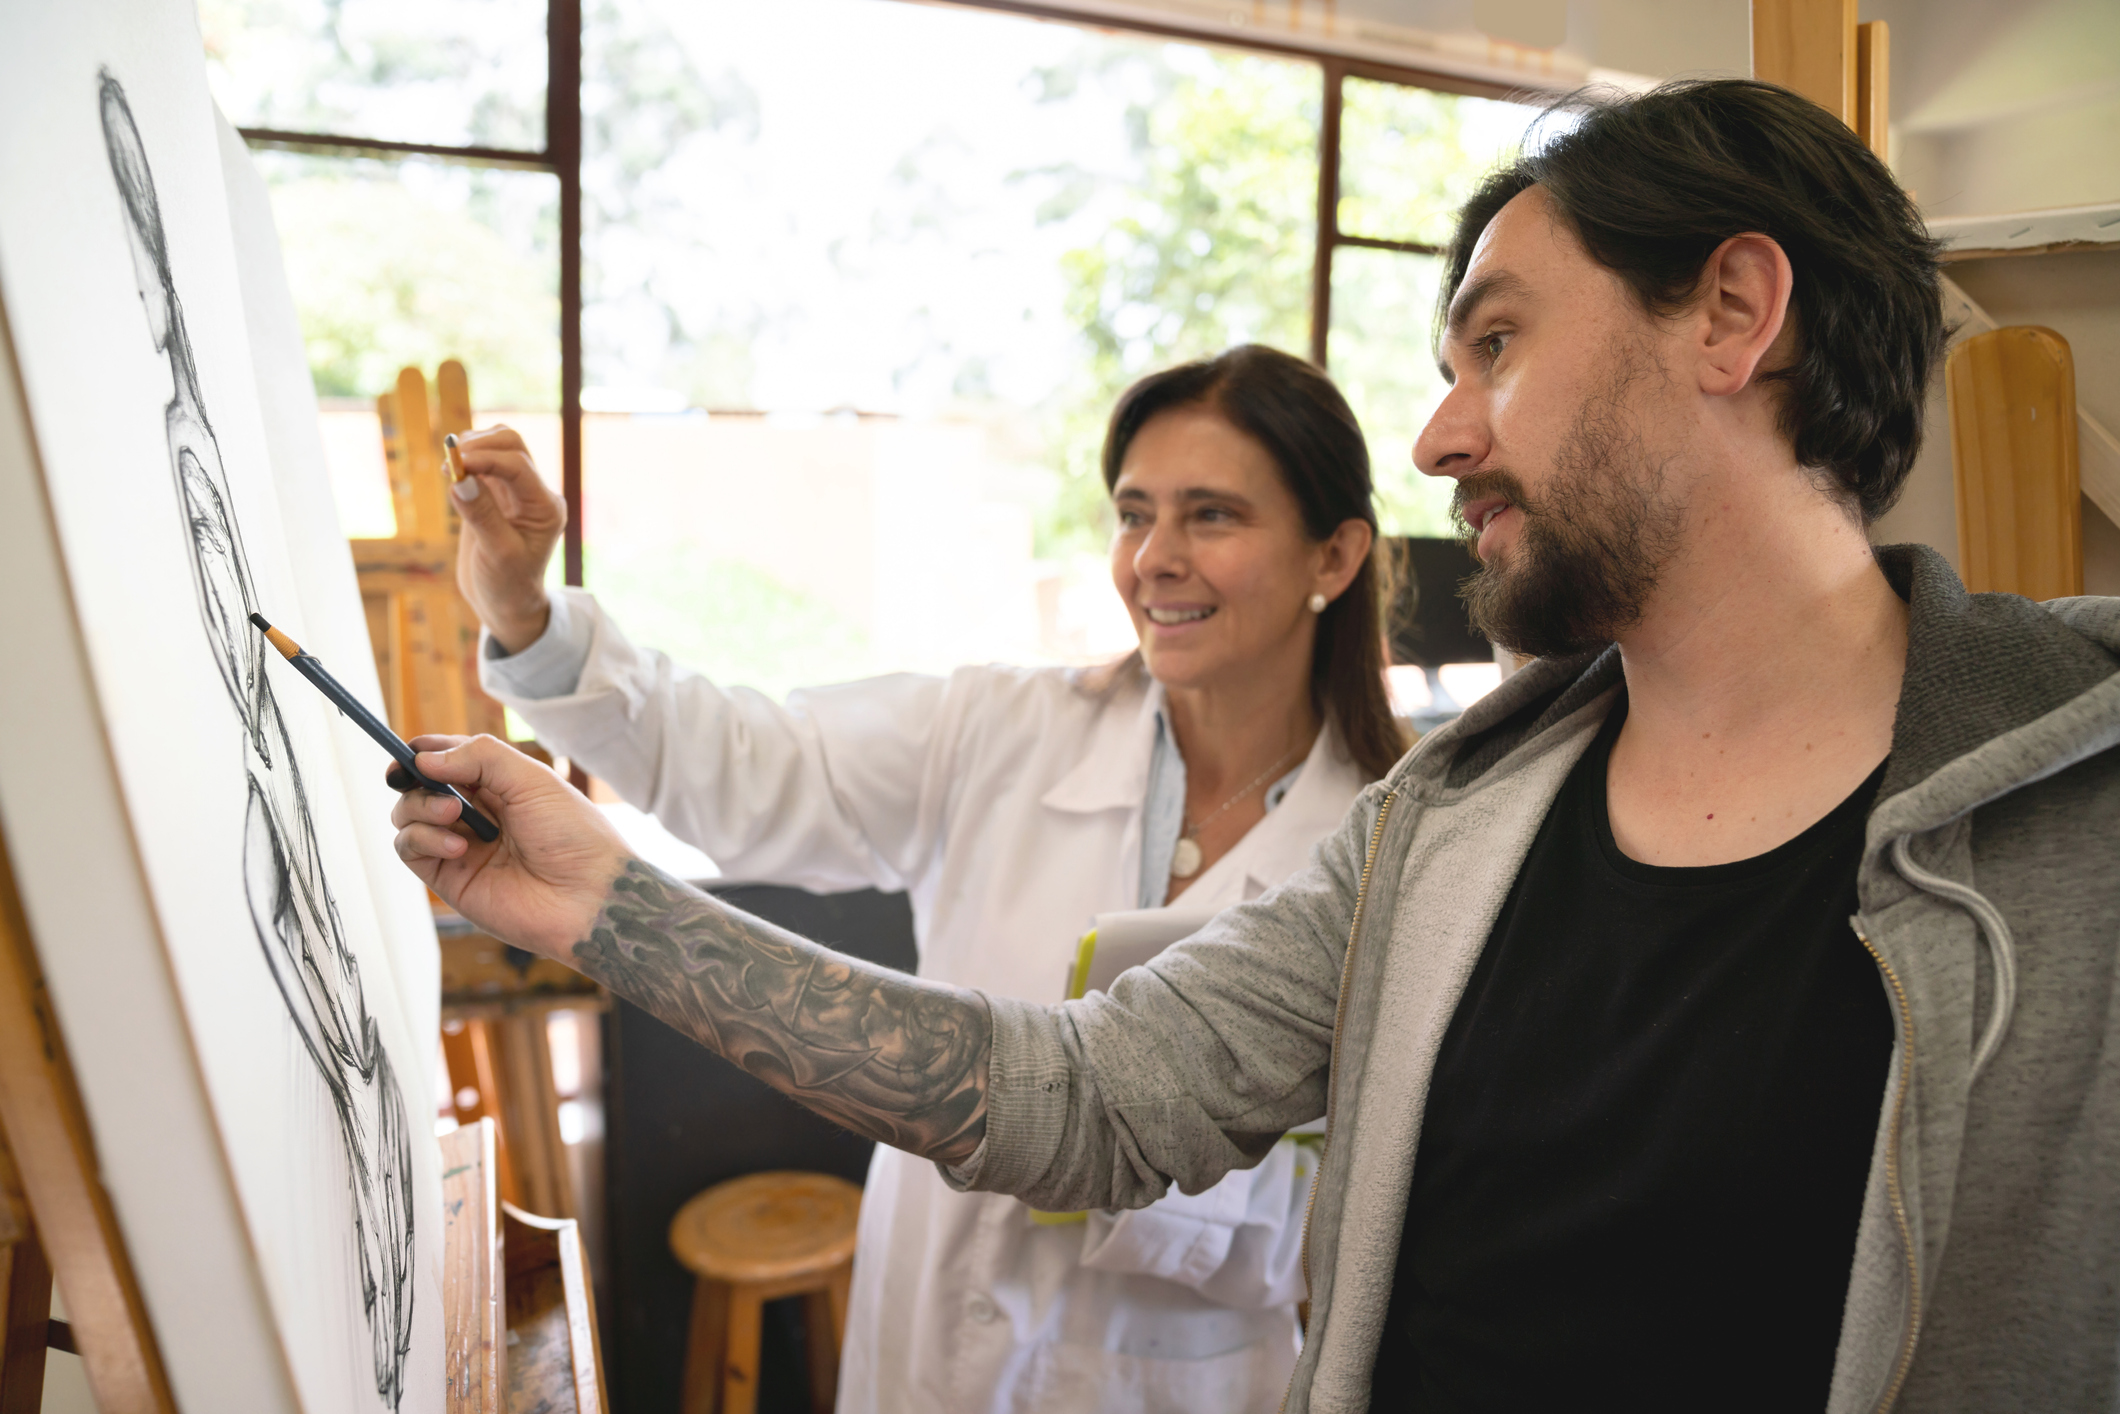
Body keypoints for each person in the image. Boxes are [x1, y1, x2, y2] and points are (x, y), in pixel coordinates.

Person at [393, 79, 2120, 1412]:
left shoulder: (2077, 806)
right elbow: (1074, 1091)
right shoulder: (1452, 833)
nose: (1442, 431)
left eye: (1499, 342)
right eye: (1136, 511)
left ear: (1736, 314)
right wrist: (608, 901)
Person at [447, 345, 1406, 1410]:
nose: (1153, 559)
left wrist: (1103, 1150)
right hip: (924, 1357)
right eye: (1134, 514)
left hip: (1165, 1382)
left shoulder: (1387, 851)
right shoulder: (1003, 729)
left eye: (1211, 515)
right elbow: (734, 765)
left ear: (1333, 554)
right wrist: (529, 618)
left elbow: (1351, 1231)